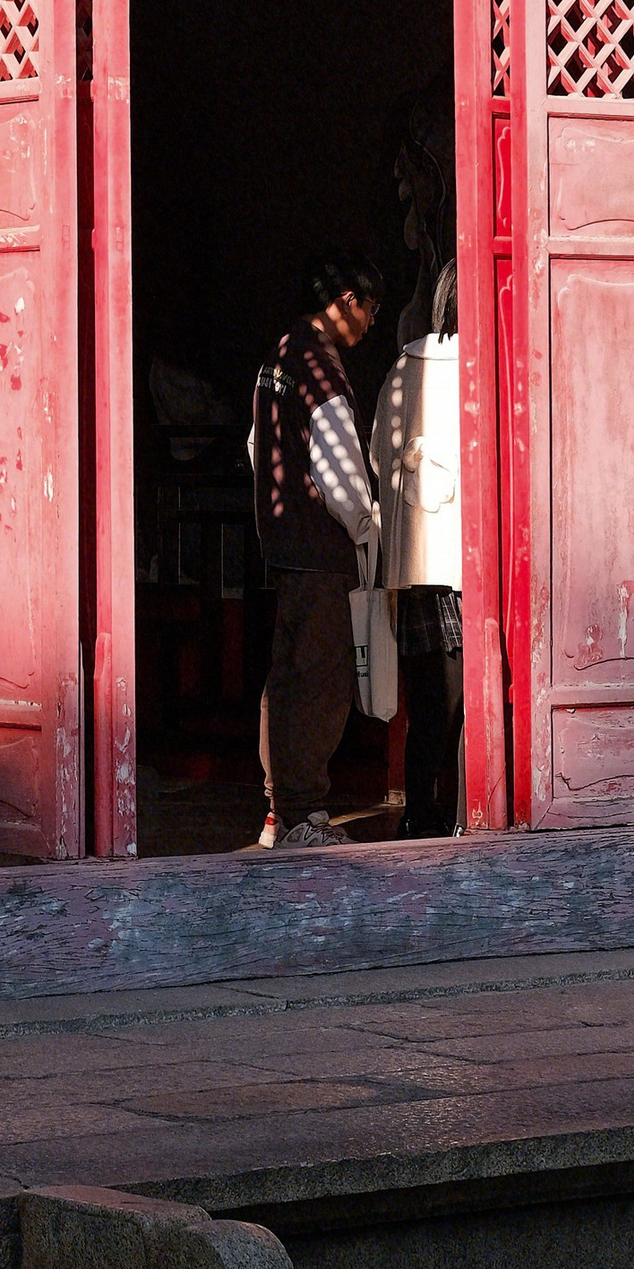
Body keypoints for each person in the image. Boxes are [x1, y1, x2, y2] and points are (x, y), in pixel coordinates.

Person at [248, 251, 385, 849]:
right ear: (347, 302)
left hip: (282, 544)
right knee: (322, 682)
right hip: (320, 548)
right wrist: (364, 526)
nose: (371, 324)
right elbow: (339, 467)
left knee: (285, 679)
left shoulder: (279, 355)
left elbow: (257, 445)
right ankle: (305, 816)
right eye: (371, 310)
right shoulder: (320, 366)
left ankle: (279, 811)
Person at [373, 255, 464, 838]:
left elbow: (380, 456)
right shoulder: (476, 370)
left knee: (426, 704)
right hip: (461, 562)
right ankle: (452, 814)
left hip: (414, 563)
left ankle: (417, 816)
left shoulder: (403, 369)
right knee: (458, 705)